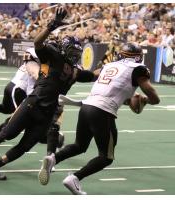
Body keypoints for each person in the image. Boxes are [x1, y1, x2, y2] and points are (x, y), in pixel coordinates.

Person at [0, 7, 99, 181]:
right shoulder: (53, 56)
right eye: (73, 52)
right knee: (6, 136)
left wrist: (110, 66)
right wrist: (51, 26)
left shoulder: (75, 71)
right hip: (33, 103)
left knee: (24, 146)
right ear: (64, 48)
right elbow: (37, 43)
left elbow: (94, 75)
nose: (75, 56)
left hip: (47, 113)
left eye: (77, 53)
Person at [38, 42, 160, 195]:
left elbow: (115, 91)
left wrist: (133, 99)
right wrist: (147, 100)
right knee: (106, 157)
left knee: (79, 145)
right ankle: (75, 178)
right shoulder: (138, 69)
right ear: (137, 57)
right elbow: (152, 94)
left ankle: (53, 158)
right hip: (102, 112)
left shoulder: (110, 66)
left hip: (87, 106)